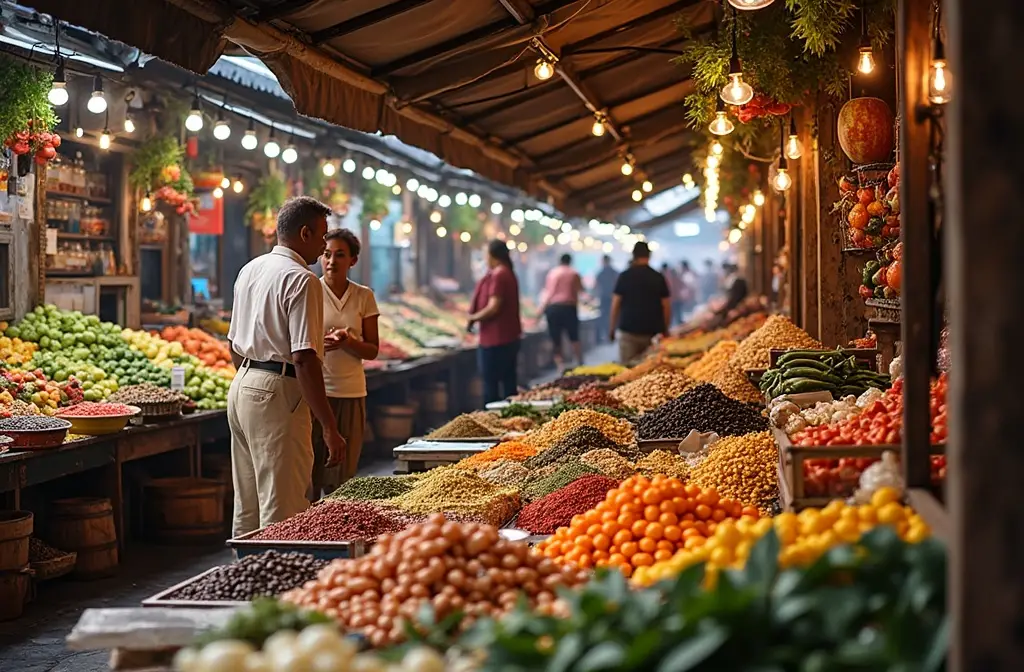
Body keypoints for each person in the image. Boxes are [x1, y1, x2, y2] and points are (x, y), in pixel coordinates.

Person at [227, 196, 347, 538]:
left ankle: (246, 580)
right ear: (305, 233)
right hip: (277, 391)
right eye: (322, 237)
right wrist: (329, 425)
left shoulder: (250, 269)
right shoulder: (302, 279)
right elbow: (304, 357)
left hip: (242, 384)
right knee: (284, 503)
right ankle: (279, 584)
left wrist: (254, 374)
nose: (324, 247)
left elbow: (233, 341)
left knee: (248, 501)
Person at [312, 228, 380, 498]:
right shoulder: (311, 290)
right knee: (313, 468)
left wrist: (349, 342)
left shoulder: (363, 296)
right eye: (327, 255)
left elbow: (373, 350)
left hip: (351, 393)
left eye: (340, 255)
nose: (331, 262)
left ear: (352, 260)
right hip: (317, 393)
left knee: (342, 475)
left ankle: (335, 531)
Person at [469, 240, 522, 403]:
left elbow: (494, 307)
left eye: (486, 254)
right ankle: (510, 420)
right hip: (508, 337)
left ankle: (493, 422)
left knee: (491, 385)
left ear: (493, 256)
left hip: (497, 339)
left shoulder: (499, 274)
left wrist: (473, 318)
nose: (485, 258)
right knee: (508, 382)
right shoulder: (507, 272)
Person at [609, 242, 671, 365]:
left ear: (633, 255)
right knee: (648, 371)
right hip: (651, 333)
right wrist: (665, 329)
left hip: (628, 332)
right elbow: (666, 306)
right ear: (649, 255)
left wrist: (611, 329)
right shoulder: (658, 277)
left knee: (628, 372)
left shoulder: (624, 276)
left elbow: (615, 304)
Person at [539, 253, 583, 371]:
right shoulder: (574, 273)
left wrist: (540, 311)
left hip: (554, 308)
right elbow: (580, 290)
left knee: (556, 338)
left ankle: (561, 365)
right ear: (570, 261)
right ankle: (579, 362)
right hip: (569, 308)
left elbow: (548, 293)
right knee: (574, 336)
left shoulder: (553, 273)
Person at [594, 255, 618, 342]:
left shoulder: (600, 273)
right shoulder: (614, 272)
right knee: (611, 316)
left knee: (603, 317)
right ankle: (611, 334)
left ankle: (606, 335)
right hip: (612, 298)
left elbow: (596, 286)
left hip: (604, 298)